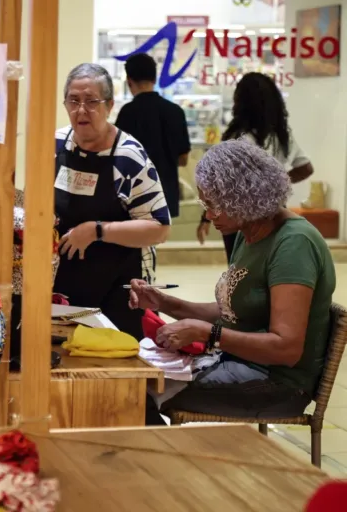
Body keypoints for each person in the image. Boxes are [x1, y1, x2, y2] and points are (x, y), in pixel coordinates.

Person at [131, 140, 335, 422]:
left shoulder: (294, 244)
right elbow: (231, 311)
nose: (210, 215)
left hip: (278, 383)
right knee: (131, 375)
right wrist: (165, 302)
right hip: (239, 363)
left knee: (135, 392)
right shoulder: (249, 231)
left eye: (216, 205)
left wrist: (209, 334)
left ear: (246, 196)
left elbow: (287, 349)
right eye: (206, 204)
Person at [54, 63, 171, 340]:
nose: (81, 110)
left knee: (118, 359)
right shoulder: (58, 143)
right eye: (73, 101)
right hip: (66, 280)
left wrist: (96, 231)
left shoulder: (128, 157)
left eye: (91, 101)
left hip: (120, 282)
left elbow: (159, 228)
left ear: (109, 106)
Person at [197, 72, 314, 263]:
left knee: (240, 270)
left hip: (238, 215)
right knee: (270, 265)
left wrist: (205, 217)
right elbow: (305, 168)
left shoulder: (238, 137)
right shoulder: (281, 137)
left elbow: (219, 183)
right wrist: (276, 183)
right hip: (275, 212)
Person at [115, 53, 191, 219]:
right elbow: (183, 159)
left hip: (134, 193)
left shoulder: (127, 113)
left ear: (129, 81)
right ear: (155, 79)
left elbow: (116, 156)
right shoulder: (175, 112)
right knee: (157, 239)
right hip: (166, 192)